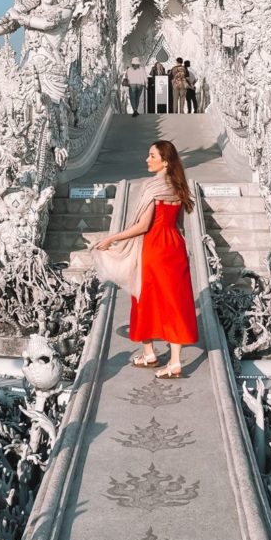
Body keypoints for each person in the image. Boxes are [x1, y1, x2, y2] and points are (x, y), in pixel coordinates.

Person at [91, 140, 198, 378]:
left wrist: (112, 238)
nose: (146, 159)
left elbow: (143, 226)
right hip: (175, 247)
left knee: (143, 298)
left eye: (152, 155)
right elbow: (178, 224)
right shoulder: (179, 186)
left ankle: (150, 352)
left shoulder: (152, 187)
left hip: (154, 248)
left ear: (165, 161)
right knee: (175, 302)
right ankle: (175, 361)